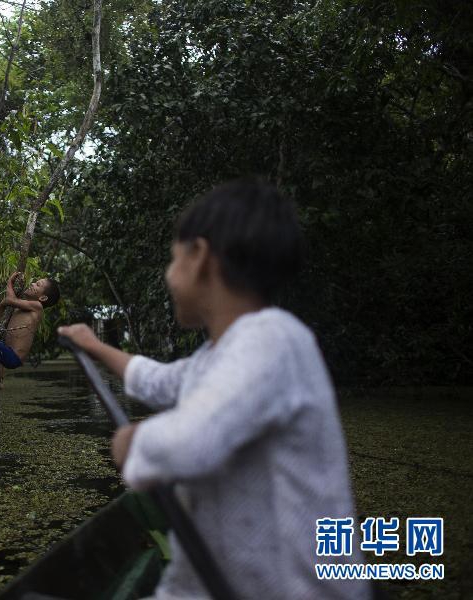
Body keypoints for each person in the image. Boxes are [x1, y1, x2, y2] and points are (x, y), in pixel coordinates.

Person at [58, 179, 371, 599]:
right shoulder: (219, 356)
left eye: (173, 259)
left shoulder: (273, 340)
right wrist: (94, 346)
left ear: (199, 256)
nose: (169, 275)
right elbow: (157, 380)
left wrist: (135, 441)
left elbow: (189, 442)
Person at [0, 271, 60, 386]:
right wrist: (8, 290)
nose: (33, 284)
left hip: (13, 357)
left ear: (43, 297)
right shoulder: (21, 308)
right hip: (7, 352)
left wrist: (9, 286)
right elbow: (9, 303)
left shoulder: (37, 307)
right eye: (35, 282)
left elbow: (10, 300)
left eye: (38, 285)